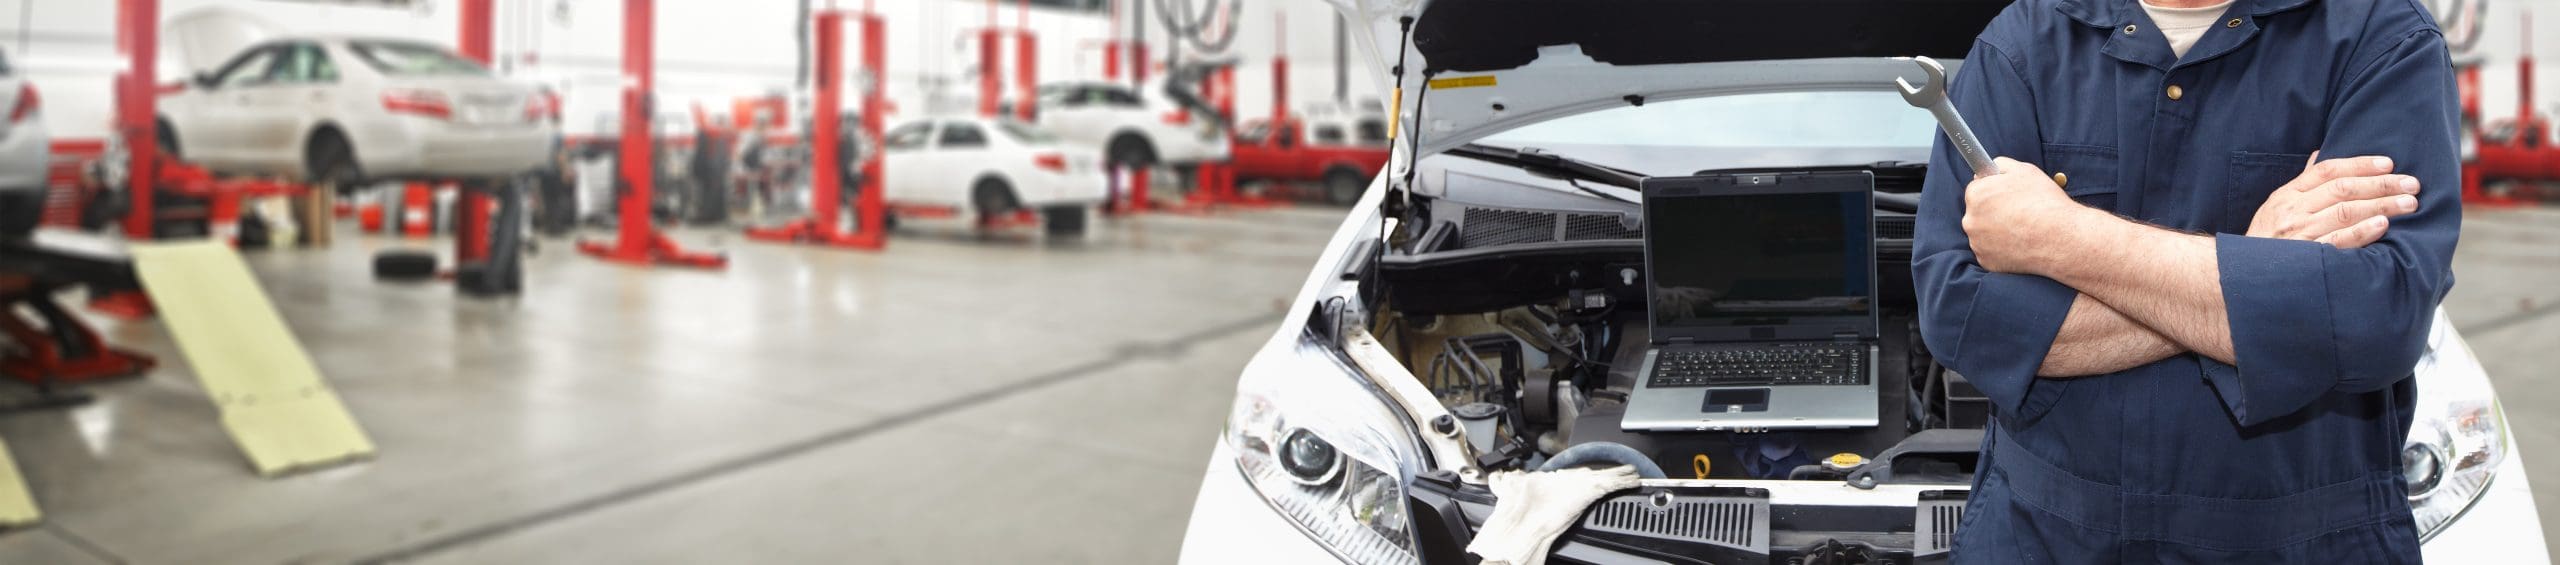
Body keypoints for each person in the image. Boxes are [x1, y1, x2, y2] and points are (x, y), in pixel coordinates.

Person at [1911, 0, 2460, 561]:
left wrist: (2060, 237)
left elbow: (2375, 320)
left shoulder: (2383, 40)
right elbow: (1962, 316)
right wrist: (2260, 271)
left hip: (2301, 540)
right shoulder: (2023, 42)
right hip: (2043, 537)